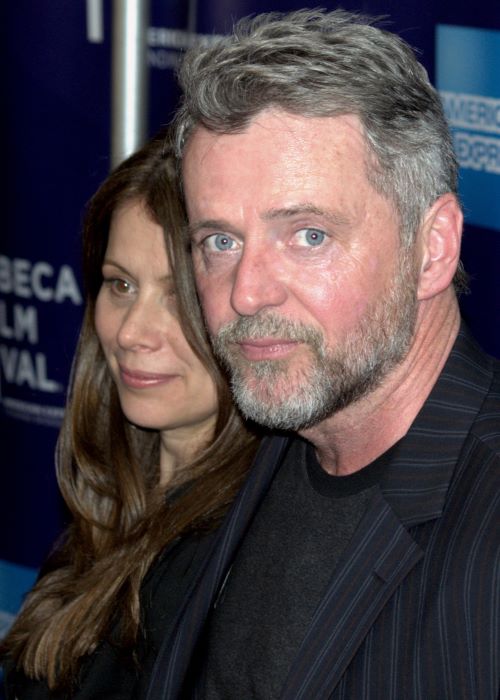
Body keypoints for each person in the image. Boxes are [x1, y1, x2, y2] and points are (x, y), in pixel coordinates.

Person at [146, 10, 500, 699]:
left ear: (432, 248)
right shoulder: (245, 452)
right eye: (219, 241)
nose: (246, 293)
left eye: (307, 235)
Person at [0, 131, 259, 699]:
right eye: (120, 285)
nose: (131, 333)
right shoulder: (115, 503)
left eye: (177, 296)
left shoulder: (254, 550)